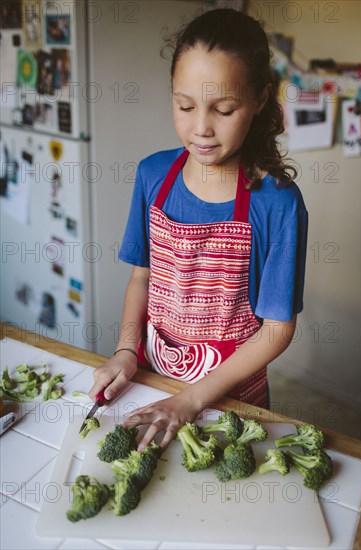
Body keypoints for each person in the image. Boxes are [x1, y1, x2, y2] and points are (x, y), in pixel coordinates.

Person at [89, 9, 308, 450]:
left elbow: (276, 329)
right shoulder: (153, 175)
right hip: (151, 379)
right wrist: (126, 351)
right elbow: (141, 278)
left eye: (224, 109)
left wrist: (191, 400)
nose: (202, 128)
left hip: (229, 399)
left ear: (260, 99)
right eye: (184, 106)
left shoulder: (278, 204)